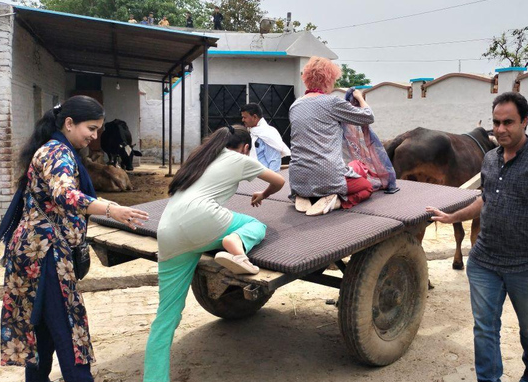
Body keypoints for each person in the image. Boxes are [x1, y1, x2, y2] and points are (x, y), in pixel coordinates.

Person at [0, 96, 149, 382]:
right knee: (69, 333)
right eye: (90, 129)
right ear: (69, 123)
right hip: (45, 256)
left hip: (34, 253)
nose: (94, 137)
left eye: (97, 131)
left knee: (42, 331)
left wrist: (108, 206)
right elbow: (65, 195)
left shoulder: (56, 148)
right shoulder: (58, 153)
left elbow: (68, 197)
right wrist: (111, 210)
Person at [429, 92, 528, 382]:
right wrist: (452, 216)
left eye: (508, 122)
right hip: (484, 262)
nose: (501, 129)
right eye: (496, 122)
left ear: (525, 122)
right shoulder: (490, 159)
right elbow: (486, 199)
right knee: (484, 328)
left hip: (526, 266)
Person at [143, 125, 284, 382]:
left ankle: (154, 378)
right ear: (245, 147)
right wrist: (263, 194)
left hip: (168, 231)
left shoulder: (200, 158)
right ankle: (237, 244)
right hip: (206, 221)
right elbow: (279, 181)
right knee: (257, 226)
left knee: (165, 318)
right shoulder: (239, 158)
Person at [288, 56, 375, 215]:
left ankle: (302, 195)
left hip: (297, 177)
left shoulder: (295, 105)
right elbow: (368, 117)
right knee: (366, 187)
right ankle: (337, 201)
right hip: (326, 176)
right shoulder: (332, 102)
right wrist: (360, 98)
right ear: (327, 80)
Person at [240, 103, 290, 171]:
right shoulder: (253, 132)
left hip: (264, 178)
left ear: (254, 117)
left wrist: (272, 180)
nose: (242, 120)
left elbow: (274, 160)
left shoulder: (267, 133)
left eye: (244, 117)